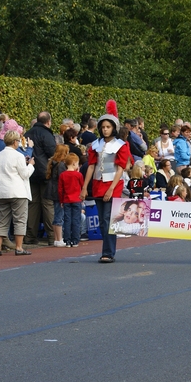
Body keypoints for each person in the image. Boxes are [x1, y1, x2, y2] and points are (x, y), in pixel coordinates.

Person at [81, 100, 131, 263]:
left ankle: (108, 252)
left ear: (114, 128)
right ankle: (107, 250)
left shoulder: (121, 145)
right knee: (102, 221)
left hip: (113, 185)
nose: (105, 129)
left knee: (109, 219)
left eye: (108, 127)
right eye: (103, 127)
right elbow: (91, 166)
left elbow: (120, 168)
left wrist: (111, 189)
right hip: (97, 184)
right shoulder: (95, 144)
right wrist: (84, 187)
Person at [0, 129, 35, 256]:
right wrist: (31, 165)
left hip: (1, 191)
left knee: (1, 219)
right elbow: (25, 174)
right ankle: (19, 247)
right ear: (15, 142)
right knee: (20, 219)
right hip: (17, 191)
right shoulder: (18, 156)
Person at [23, 111, 57, 244]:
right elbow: (52, 153)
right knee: (48, 204)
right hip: (45, 172)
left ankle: (30, 235)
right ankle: (52, 236)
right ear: (48, 122)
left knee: (32, 204)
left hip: (30, 172)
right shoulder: (47, 134)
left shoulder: (27, 134)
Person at [46, 144, 69, 247]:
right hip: (58, 192)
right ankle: (59, 238)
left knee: (56, 214)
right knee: (59, 215)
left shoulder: (53, 162)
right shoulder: (61, 165)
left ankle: (56, 238)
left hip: (52, 190)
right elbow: (63, 179)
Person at [59, 153, 84, 247]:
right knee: (76, 220)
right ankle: (75, 240)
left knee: (67, 220)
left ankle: (67, 240)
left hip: (66, 200)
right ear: (74, 163)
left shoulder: (63, 175)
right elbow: (82, 186)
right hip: (77, 199)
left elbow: (60, 189)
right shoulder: (78, 175)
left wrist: (61, 200)